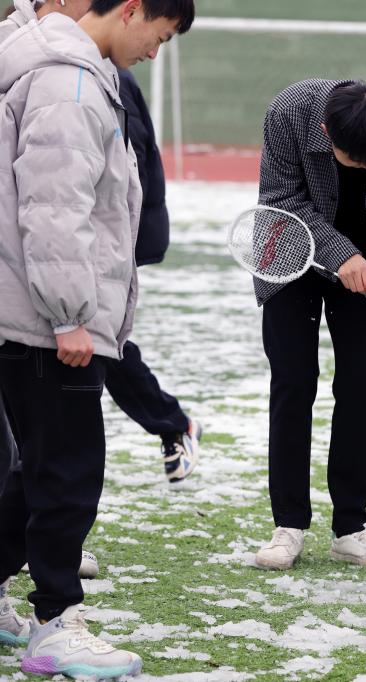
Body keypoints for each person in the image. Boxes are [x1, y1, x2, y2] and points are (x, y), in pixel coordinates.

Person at [0, 0, 194, 678]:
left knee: (36, 471)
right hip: (47, 322)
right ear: (132, 9)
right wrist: (69, 315)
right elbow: (54, 207)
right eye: (158, 37)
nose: (154, 53)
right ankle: (56, 624)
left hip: (31, 315)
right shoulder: (70, 81)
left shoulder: (70, 70)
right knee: (67, 472)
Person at [252, 79, 366, 572]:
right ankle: (288, 525)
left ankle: (352, 528)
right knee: (293, 383)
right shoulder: (290, 111)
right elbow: (281, 200)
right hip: (290, 255)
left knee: (358, 385)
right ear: (327, 132)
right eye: (356, 160)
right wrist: (340, 254)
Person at [106, 65, 202, 484]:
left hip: (106, 243)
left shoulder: (105, 73)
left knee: (102, 345)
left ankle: (174, 425)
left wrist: (116, 239)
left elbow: (133, 163)